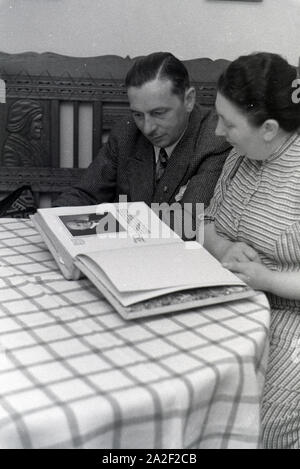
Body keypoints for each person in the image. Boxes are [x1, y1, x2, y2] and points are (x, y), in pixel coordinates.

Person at [203, 52, 300, 449]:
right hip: (229, 308)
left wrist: (267, 279)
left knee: (258, 427)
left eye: (228, 123)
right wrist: (223, 244)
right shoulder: (238, 159)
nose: (217, 132)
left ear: (269, 128)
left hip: (288, 325)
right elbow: (203, 225)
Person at [54, 52, 231, 238]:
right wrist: (52, 220)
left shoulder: (214, 140)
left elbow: (187, 223)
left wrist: (110, 222)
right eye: (138, 114)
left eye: (159, 113)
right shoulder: (127, 132)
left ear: (188, 100)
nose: (147, 128)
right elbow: (86, 194)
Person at [2, 99, 48, 167]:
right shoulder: (11, 150)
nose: (41, 126)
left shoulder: (34, 146)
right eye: (38, 120)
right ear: (25, 122)